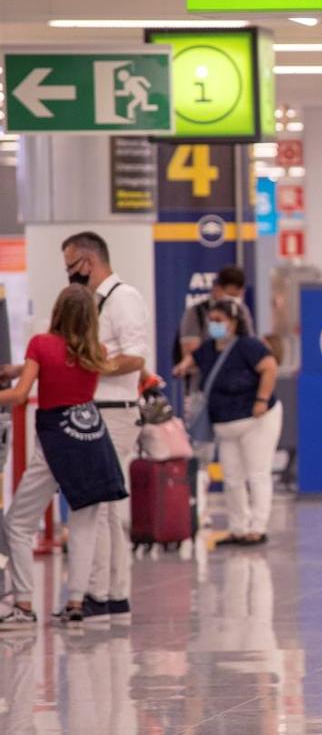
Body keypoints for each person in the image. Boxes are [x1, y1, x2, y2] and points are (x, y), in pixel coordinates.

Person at [0, 286, 128, 627]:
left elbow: (21, 394)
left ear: (58, 310)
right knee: (83, 526)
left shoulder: (41, 344)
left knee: (18, 523)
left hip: (55, 441)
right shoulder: (95, 350)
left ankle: (24, 605)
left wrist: (12, 380)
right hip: (91, 438)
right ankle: (75, 602)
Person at [62, 232, 149, 622]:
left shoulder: (124, 298)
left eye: (70, 266)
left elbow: (135, 357)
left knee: (98, 506)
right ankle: (114, 593)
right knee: (109, 509)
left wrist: (91, 366)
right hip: (98, 410)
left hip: (114, 411)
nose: (68, 275)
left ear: (88, 261)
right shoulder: (99, 303)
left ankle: (99, 591)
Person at [173, 300, 281, 546]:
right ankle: (238, 527)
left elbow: (270, 368)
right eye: (211, 320)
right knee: (232, 476)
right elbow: (193, 360)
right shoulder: (209, 348)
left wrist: (262, 399)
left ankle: (258, 527)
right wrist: (182, 367)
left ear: (234, 323)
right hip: (226, 424)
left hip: (256, 420)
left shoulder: (249, 346)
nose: (214, 325)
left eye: (219, 321)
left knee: (257, 473)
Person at [177, 265, 254, 362]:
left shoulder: (242, 311)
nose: (232, 301)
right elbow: (190, 354)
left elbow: (250, 346)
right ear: (217, 289)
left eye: (237, 296)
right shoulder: (196, 313)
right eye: (230, 295)